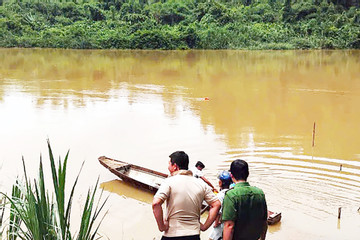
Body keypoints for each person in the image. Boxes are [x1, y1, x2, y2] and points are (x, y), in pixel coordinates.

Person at [152, 151, 221, 240]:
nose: (168, 167)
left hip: (172, 235)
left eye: (169, 164)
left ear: (175, 166)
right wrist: (204, 226)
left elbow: (156, 204)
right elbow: (216, 204)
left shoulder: (168, 182)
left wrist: (162, 226)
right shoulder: (201, 184)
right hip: (194, 235)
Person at [222, 159, 267, 240]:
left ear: (231, 175)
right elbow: (264, 221)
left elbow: (229, 226)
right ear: (248, 174)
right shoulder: (260, 193)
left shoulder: (231, 195)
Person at [209, 170, 232, 240]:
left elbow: (218, 211)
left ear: (220, 182)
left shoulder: (219, 195)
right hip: (228, 223)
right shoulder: (231, 193)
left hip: (220, 223)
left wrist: (216, 222)